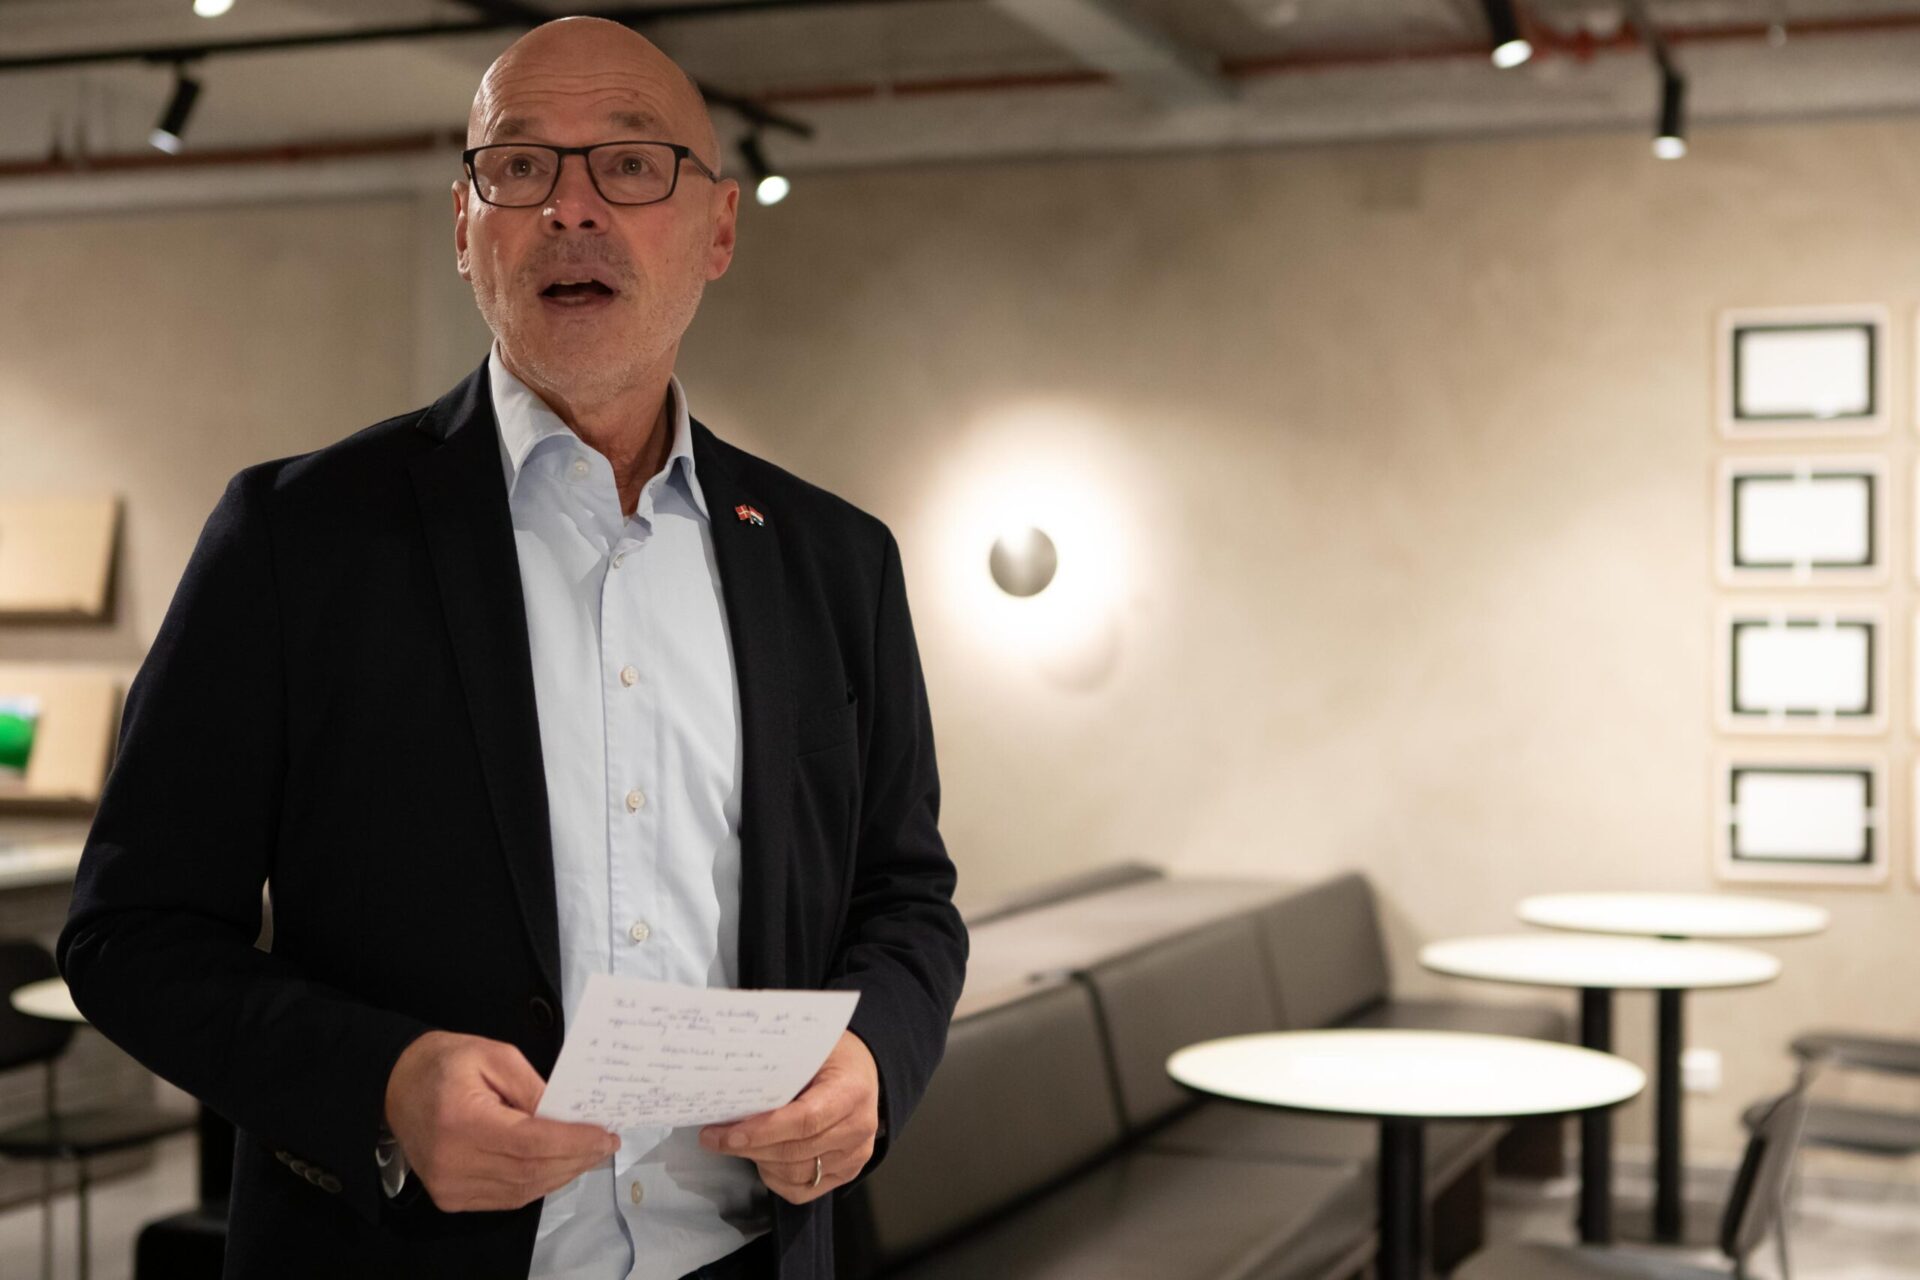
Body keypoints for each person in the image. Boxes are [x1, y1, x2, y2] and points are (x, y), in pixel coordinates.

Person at [56, 16, 966, 1280]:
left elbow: (906, 897)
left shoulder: (834, 560)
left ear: (718, 228)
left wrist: (873, 1059)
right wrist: (381, 1081)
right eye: (520, 165)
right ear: (464, 223)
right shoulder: (294, 538)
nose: (568, 208)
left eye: (630, 164)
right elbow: (129, 932)